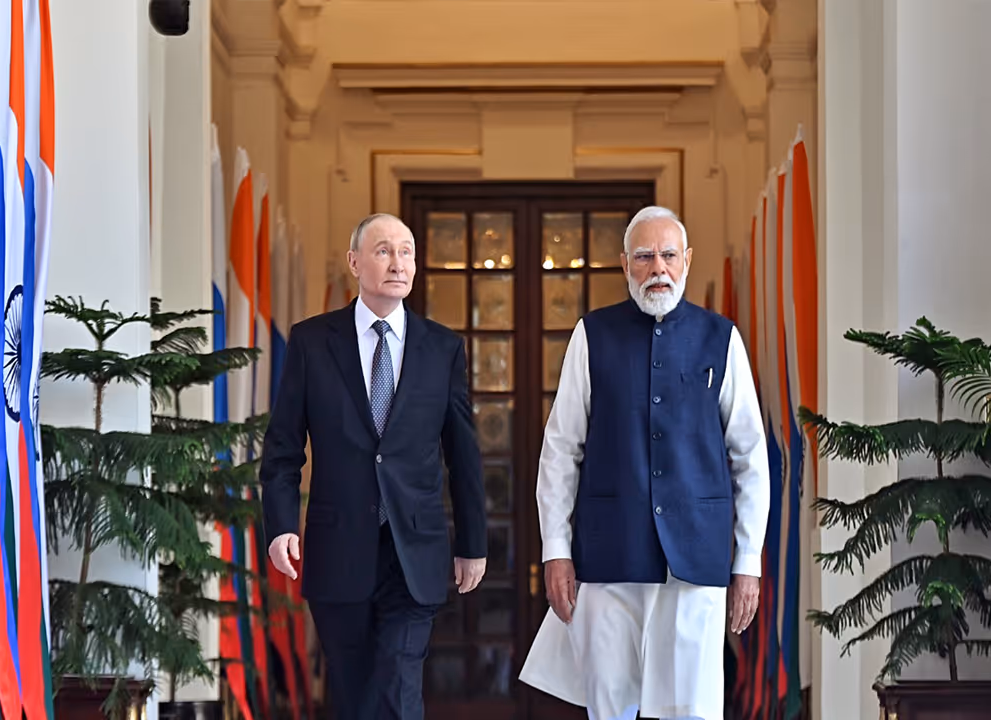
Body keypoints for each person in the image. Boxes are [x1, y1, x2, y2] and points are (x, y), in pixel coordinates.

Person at [517, 206, 770, 720]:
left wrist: (747, 561)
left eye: (668, 255)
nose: (658, 267)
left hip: (696, 558)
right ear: (625, 264)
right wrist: (556, 550)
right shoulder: (592, 335)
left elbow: (750, 457)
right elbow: (561, 449)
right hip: (610, 555)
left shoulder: (721, 339)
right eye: (645, 256)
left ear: (687, 260)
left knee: (692, 711)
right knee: (610, 706)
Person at [260, 213, 488, 720]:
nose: (397, 262)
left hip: (415, 552)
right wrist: (279, 527)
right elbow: (282, 448)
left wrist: (473, 543)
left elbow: (463, 452)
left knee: (398, 683)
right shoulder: (312, 342)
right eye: (383, 250)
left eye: (406, 251)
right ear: (354, 262)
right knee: (354, 692)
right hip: (338, 547)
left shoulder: (443, 348)